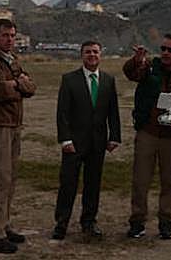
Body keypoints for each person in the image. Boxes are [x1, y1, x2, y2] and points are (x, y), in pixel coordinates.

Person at [123, 34, 171, 240]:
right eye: (163, 48)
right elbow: (131, 73)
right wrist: (136, 60)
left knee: (169, 181)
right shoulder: (150, 68)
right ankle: (137, 221)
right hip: (148, 132)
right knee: (140, 180)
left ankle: (165, 221)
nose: (165, 53)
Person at [0, 18, 37, 254]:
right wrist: (19, 85)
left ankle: (5, 224)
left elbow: (32, 88)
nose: (10, 39)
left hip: (14, 124)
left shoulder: (13, 61)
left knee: (11, 178)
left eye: (12, 35)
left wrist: (18, 85)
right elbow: (0, 92)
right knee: (1, 179)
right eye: (5, 35)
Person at [52, 40, 121, 241]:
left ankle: (89, 222)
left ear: (101, 55)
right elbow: (62, 113)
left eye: (95, 52)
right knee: (68, 184)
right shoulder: (69, 80)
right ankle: (61, 223)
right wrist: (65, 139)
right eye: (88, 52)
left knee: (93, 184)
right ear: (82, 55)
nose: (92, 55)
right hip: (74, 142)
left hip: (97, 142)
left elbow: (113, 111)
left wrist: (114, 136)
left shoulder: (108, 80)